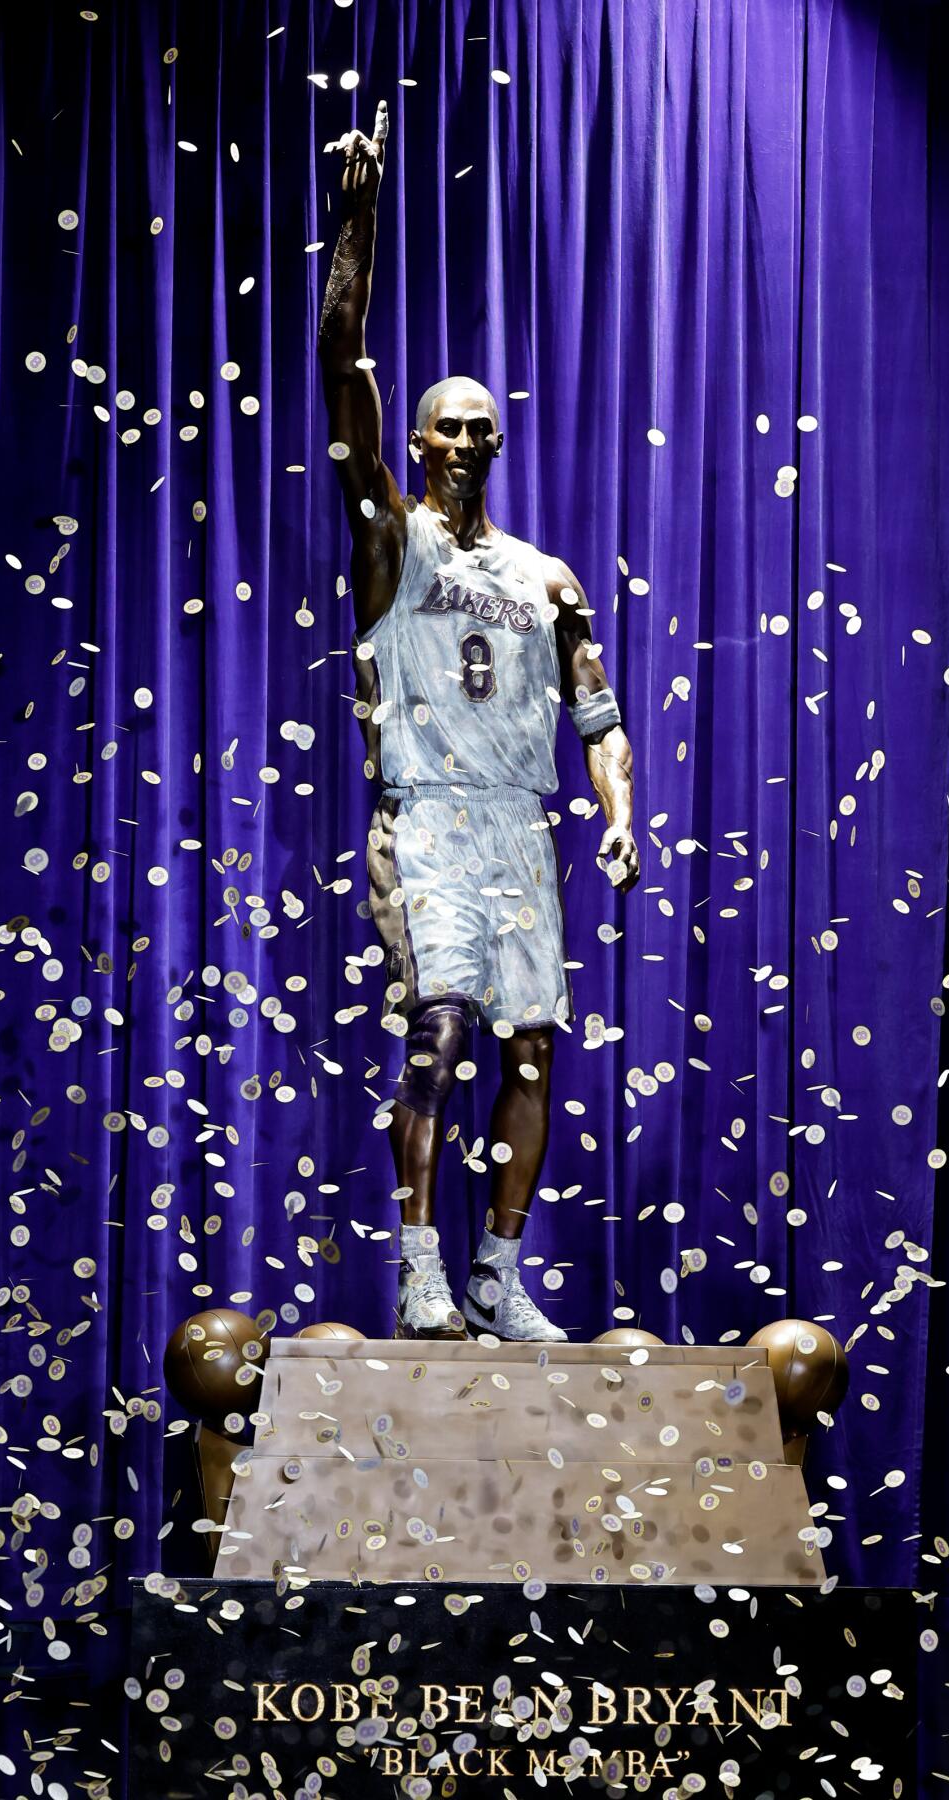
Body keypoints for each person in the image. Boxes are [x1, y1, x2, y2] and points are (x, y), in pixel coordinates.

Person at [318, 100, 640, 1342]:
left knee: (530, 1054)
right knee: (440, 1029)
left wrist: (620, 815)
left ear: (498, 443)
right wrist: (361, 218)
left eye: (478, 428)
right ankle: (420, 1263)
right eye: (442, 425)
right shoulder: (390, 541)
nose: (461, 439)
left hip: (519, 827)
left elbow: (599, 713)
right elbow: (341, 349)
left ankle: (499, 1273)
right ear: (414, 440)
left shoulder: (548, 575)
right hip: (432, 820)